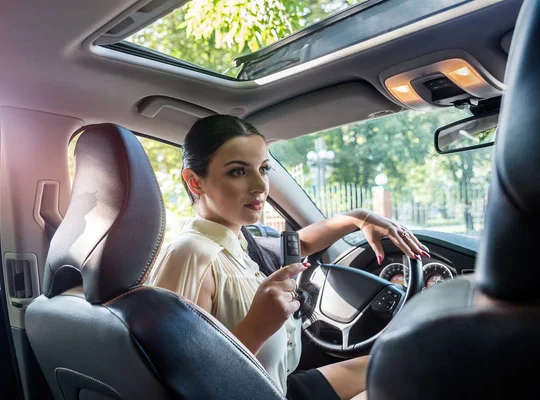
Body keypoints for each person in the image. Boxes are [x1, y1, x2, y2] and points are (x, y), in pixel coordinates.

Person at [149, 115, 429, 400]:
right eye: (238, 172)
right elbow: (182, 387)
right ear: (195, 182)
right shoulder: (191, 255)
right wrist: (257, 327)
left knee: (407, 362)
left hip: (278, 388)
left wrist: (359, 218)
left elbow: (301, 244)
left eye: (263, 168)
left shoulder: (243, 242)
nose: (260, 185)